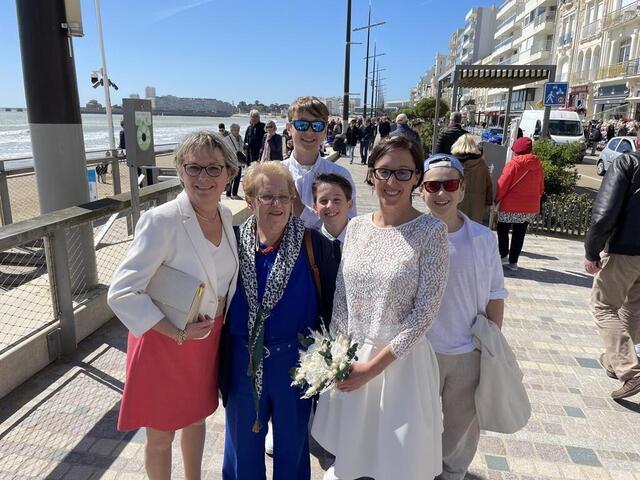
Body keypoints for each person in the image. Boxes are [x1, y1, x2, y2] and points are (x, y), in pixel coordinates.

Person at [312, 135, 449, 480]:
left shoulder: (431, 232)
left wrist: (373, 368)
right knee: (352, 458)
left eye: (404, 173)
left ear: (418, 177)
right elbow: (342, 296)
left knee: (395, 462)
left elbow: (425, 314)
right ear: (371, 175)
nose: (392, 182)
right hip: (353, 358)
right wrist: (338, 356)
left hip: (400, 365)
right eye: (384, 172)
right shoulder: (356, 227)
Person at [108, 131, 239, 480]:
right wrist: (176, 332)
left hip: (206, 341)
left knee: (197, 418)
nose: (203, 178)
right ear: (180, 171)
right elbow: (121, 292)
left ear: (229, 172)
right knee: (161, 433)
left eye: (213, 168)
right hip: (163, 343)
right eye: (193, 167)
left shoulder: (225, 216)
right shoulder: (161, 220)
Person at [221, 161, 340, 480]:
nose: (277, 204)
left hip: (296, 365)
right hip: (242, 363)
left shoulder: (316, 246)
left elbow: (334, 306)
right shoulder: (230, 244)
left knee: (293, 452)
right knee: (242, 453)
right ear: (249, 200)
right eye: (267, 196)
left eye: (284, 197)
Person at [420, 153, 507, 480]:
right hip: (420, 352)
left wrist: (490, 344)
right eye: (433, 185)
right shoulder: (411, 234)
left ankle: (451, 474)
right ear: (422, 190)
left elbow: (496, 294)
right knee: (418, 423)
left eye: (449, 184)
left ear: (461, 188)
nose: (441, 193)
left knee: (459, 430)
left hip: (467, 352)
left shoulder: (484, 240)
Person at [584, 130, 640, 400]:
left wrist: (592, 250)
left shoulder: (628, 162)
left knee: (603, 305)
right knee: (633, 307)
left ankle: (631, 371)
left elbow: (604, 212)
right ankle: (613, 360)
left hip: (626, 250)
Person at [283, 96, 357, 230]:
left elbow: (349, 229)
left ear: (324, 131)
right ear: (289, 128)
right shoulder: (278, 173)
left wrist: (300, 210)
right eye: (302, 125)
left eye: (317, 125)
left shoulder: (340, 175)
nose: (310, 132)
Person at [495, 137, 545, 271]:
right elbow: (541, 188)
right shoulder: (538, 166)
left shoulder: (513, 164)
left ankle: (503, 256)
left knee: (502, 229)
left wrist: (496, 199)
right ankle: (513, 262)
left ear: (516, 150)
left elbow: (503, 184)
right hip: (528, 207)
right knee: (519, 233)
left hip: (510, 205)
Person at [451, 134, 493, 223]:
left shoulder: (453, 163)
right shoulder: (481, 164)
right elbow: (489, 185)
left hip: (456, 202)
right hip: (477, 204)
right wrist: (489, 202)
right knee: (473, 230)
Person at [312, 173, 353, 244]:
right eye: (324, 201)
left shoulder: (364, 237)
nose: (330, 206)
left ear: (349, 205)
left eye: (337, 200)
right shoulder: (310, 243)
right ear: (315, 207)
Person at [226, 123, 246, 199]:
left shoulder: (240, 138)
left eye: (238, 130)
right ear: (231, 130)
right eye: (236, 130)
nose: (237, 131)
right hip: (231, 161)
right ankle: (228, 194)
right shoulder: (227, 139)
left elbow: (242, 147)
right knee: (231, 178)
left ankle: (235, 193)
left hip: (239, 161)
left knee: (237, 178)